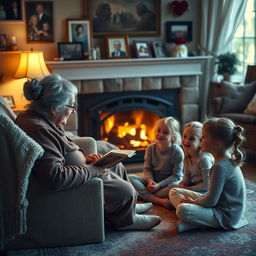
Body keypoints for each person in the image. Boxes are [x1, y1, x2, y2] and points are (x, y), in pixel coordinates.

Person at [15, 74, 161, 231]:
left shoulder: (45, 119)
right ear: (53, 108)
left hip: (79, 170)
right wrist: (94, 169)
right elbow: (55, 177)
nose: (73, 111)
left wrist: (85, 159)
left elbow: (60, 151)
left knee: (115, 165)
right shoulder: (39, 129)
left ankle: (126, 209)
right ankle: (126, 221)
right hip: (73, 182)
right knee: (124, 190)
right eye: (71, 106)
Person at [169, 117, 248, 233]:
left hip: (226, 216)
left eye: (204, 136)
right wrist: (195, 199)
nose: (201, 139)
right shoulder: (224, 161)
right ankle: (197, 222)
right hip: (218, 206)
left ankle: (198, 223)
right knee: (174, 192)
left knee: (183, 209)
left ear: (217, 143)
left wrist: (192, 202)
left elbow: (211, 201)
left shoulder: (220, 167)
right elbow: (211, 195)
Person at [129, 117, 184, 209]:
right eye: (158, 130)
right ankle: (160, 201)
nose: (160, 134)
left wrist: (159, 185)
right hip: (152, 182)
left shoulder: (177, 152)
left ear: (173, 136)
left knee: (176, 187)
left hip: (167, 184)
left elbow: (176, 176)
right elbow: (147, 169)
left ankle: (145, 196)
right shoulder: (150, 148)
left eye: (166, 132)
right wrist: (150, 181)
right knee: (130, 177)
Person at [176, 121, 213, 193]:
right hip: (193, 188)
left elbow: (207, 185)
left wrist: (189, 188)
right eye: (184, 136)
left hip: (205, 192)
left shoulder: (204, 159)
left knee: (175, 193)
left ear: (201, 142)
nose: (186, 141)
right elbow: (186, 179)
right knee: (173, 187)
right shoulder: (187, 157)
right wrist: (182, 184)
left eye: (192, 139)